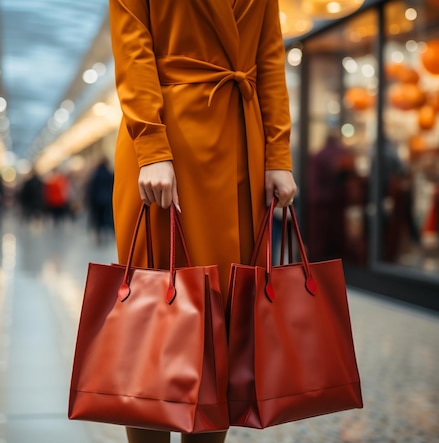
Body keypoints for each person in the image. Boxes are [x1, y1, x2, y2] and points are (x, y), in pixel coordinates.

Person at [108, 0, 297, 442]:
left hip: (239, 146)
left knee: (224, 321)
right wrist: (152, 147)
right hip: (167, 146)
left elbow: (269, 57)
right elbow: (133, 47)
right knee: (155, 315)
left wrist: (278, 155)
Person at [86, 159, 115, 244]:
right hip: (107, 198)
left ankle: (99, 235)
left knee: (98, 218)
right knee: (108, 217)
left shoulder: (96, 174)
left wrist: (91, 201)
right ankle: (112, 233)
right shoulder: (109, 173)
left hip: (97, 200)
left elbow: (92, 188)